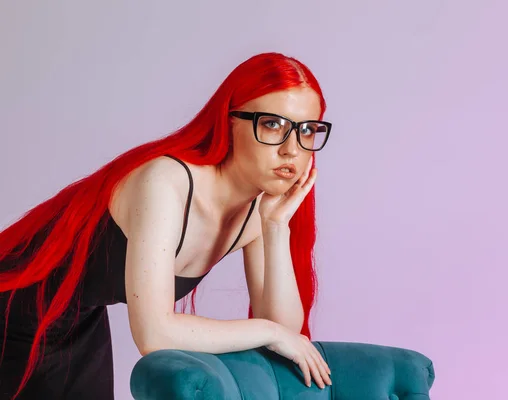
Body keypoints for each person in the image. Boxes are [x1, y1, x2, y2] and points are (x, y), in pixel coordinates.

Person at [0, 52, 334, 399]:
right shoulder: (166, 183)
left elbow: (285, 331)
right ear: (230, 121)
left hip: (75, 321)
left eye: (307, 130)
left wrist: (277, 228)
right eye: (272, 124)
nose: (291, 150)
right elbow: (154, 334)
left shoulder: (259, 211)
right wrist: (266, 331)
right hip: (11, 312)